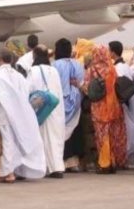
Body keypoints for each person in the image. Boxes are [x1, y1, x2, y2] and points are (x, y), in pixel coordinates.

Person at [0, 49, 46, 183]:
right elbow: (26, 94)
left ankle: (7, 173)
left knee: (3, 145)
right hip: (18, 116)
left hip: (1, 117)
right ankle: (3, 171)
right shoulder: (19, 76)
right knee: (12, 144)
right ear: (11, 60)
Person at [83, 46, 127, 174]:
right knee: (112, 135)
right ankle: (113, 162)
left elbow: (87, 88)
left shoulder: (92, 69)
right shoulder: (112, 69)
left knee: (102, 136)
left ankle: (104, 163)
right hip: (113, 107)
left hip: (99, 108)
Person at [27, 45, 66, 178]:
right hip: (55, 109)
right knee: (55, 138)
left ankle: (44, 167)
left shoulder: (33, 70)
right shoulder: (54, 70)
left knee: (42, 138)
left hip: (42, 109)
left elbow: (28, 89)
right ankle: (57, 167)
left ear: (35, 55)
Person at [53, 39, 86, 173]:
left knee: (59, 132)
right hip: (76, 102)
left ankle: (61, 161)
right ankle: (73, 162)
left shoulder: (55, 65)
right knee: (74, 131)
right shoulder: (78, 64)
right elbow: (82, 82)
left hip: (60, 103)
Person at [109, 41, 134, 166]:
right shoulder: (125, 66)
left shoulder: (117, 68)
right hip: (129, 102)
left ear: (112, 52)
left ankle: (122, 158)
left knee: (125, 132)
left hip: (123, 103)